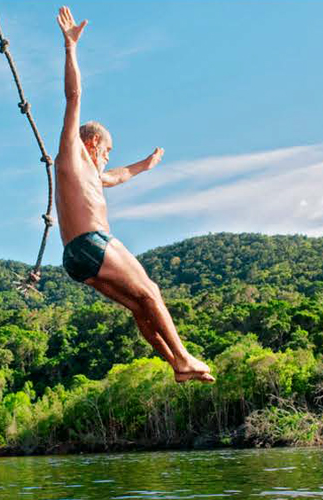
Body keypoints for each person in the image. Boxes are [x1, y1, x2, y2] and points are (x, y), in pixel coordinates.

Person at [55, 6, 214, 383]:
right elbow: (73, 96)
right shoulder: (72, 154)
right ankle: (184, 356)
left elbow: (117, 176)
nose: (107, 159)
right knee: (152, 291)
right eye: (106, 151)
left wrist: (145, 165)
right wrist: (70, 48)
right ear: (92, 143)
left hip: (77, 258)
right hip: (92, 242)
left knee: (140, 304)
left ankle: (177, 365)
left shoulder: (90, 175)